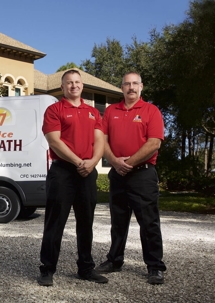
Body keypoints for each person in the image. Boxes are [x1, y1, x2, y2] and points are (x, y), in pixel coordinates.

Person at [96, 71, 167, 285]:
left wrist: (129, 162)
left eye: (135, 84)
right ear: (122, 88)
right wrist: (115, 162)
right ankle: (115, 260)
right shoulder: (110, 111)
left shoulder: (151, 111)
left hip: (143, 174)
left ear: (141, 87)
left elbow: (154, 143)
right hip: (117, 174)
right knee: (118, 221)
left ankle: (155, 266)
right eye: (127, 84)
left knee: (149, 222)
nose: (131, 87)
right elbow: (102, 140)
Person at [38, 69, 107, 286]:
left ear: (82, 86)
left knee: (86, 222)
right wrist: (79, 162)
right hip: (63, 172)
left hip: (87, 172)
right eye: (69, 83)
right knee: (55, 222)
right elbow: (54, 141)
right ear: (62, 87)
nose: (74, 86)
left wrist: (93, 162)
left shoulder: (94, 113)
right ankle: (47, 270)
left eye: (77, 82)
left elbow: (100, 141)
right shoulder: (54, 110)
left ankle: (86, 268)